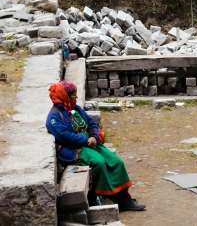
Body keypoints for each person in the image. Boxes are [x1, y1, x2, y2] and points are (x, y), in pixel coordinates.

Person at [45, 81, 145, 212]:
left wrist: (93, 137)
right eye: (73, 95)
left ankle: (124, 198)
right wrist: (85, 141)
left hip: (90, 143)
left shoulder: (75, 108)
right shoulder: (54, 117)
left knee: (116, 162)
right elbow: (64, 136)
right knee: (99, 163)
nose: (76, 97)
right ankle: (98, 197)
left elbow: (91, 123)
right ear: (65, 96)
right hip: (75, 149)